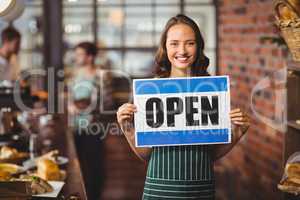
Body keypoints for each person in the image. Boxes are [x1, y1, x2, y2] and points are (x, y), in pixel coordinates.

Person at [116, 14, 250, 200]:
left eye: (190, 43)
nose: (182, 50)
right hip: (159, 188)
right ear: (165, 47)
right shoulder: (151, 90)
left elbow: (211, 154)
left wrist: (237, 132)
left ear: (198, 46)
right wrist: (127, 127)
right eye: (174, 43)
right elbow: (146, 155)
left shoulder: (210, 90)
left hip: (201, 189)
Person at [68, 41, 106, 200]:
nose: (76, 57)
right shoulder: (75, 75)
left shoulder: (100, 76)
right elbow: (70, 97)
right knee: (78, 167)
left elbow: (108, 104)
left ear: (90, 57)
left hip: (93, 129)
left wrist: (87, 106)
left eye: (80, 54)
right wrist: (71, 105)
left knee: (94, 168)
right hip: (76, 128)